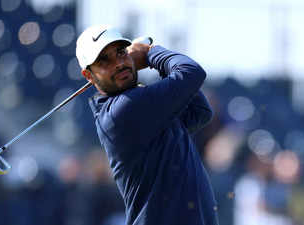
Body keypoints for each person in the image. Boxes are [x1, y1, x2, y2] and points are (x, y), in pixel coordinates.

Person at [76, 25, 219, 225]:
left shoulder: (138, 105)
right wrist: (151, 53)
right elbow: (191, 72)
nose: (118, 63)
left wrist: (157, 66)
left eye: (121, 53)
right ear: (89, 76)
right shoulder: (124, 109)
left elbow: (199, 113)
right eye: (104, 60)